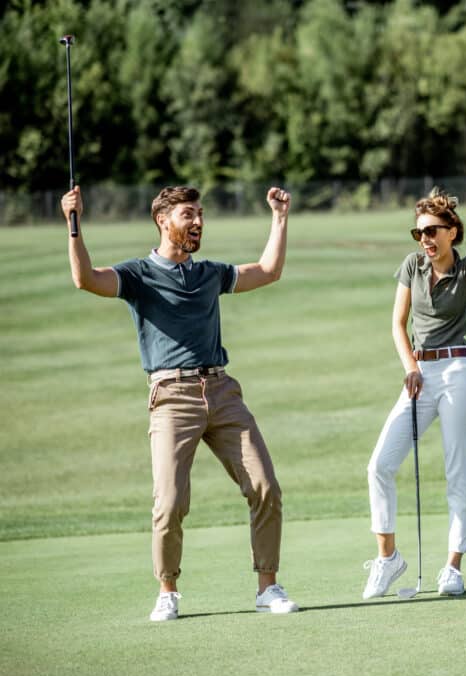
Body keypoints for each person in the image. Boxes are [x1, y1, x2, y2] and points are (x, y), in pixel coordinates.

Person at [60, 184, 299, 622]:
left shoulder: (209, 272)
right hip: (172, 397)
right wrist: (73, 225)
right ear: (162, 220)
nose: (198, 222)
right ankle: (167, 590)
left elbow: (267, 270)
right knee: (169, 502)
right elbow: (86, 279)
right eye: (189, 214)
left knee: (265, 485)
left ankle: (268, 587)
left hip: (223, 392)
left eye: (200, 214)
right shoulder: (138, 275)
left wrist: (279, 218)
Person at [363, 141, 466, 599]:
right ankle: (388, 558)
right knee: (380, 464)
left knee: (457, 473)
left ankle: (453, 567)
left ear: (451, 233)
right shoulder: (412, 266)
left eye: (433, 230)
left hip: (458, 372)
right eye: (419, 231)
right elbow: (397, 324)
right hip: (420, 374)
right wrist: (410, 367)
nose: (425, 238)